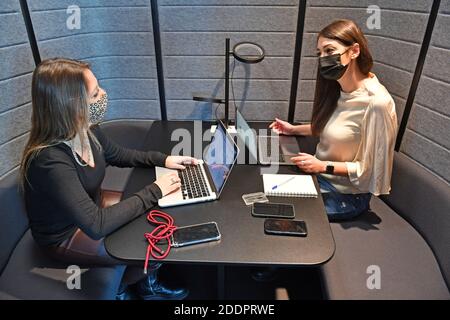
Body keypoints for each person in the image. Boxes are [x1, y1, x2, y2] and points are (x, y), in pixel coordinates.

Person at [20, 58, 197, 300]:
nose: (103, 95)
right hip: (66, 234)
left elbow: (118, 154)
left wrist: (163, 159)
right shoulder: (49, 161)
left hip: (91, 207)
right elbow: (96, 225)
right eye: (94, 95)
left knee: (162, 213)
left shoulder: (85, 129)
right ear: (70, 106)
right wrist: (155, 190)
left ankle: (144, 281)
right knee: (154, 247)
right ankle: (123, 289)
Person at [269, 19, 398, 222]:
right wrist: (293, 130)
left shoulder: (377, 103)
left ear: (354, 51)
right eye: (319, 53)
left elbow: (372, 171)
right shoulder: (340, 89)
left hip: (346, 196)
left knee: (279, 211)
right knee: (265, 190)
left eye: (329, 51)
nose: (323, 58)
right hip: (317, 179)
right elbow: (336, 129)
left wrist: (322, 166)